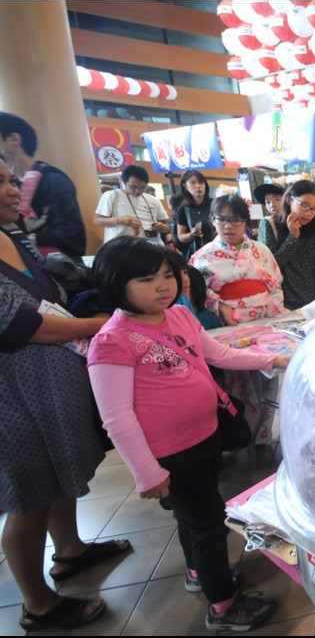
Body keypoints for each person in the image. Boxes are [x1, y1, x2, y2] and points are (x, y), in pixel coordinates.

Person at [87, 236, 286, 631]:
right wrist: (147, 473)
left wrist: (274, 358)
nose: (162, 286)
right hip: (169, 454)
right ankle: (224, 608)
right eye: (146, 279)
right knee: (210, 523)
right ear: (115, 283)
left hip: (206, 436)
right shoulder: (111, 341)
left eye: (166, 275)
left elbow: (220, 355)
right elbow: (117, 418)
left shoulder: (179, 316)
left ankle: (199, 573)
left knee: (192, 518)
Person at [0, 157, 131, 632]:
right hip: (12, 396)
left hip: (49, 385)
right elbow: (20, 324)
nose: (15, 189)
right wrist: (99, 324)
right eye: (1, 182)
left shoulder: (14, 238)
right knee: (28, 492)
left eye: (12, 179)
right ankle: (38, 603)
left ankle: (70, 550)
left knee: (56, 470)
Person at [0, 112, 87, 259]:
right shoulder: (18, 185)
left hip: (58, 273)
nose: (12, 190)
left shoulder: (52, 180)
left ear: (14, 139)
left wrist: (28, 240)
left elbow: (74, 235)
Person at [190, 195, 285, 325]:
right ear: (213, 220)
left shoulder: (262, 249)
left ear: (245, 222)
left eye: (236, 220)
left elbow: (276, 284)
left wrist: (273, 308)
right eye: (222, 220)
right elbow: (195, 291)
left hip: (266, 318)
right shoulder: (201, 256)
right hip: (224, 321)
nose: (228, 226)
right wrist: (219, 306)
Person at [259, 180, 315, 309]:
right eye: (304, 205)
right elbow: (270, 267)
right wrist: (293, 237)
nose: (309, 213)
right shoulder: (270, 224)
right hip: (282, 303)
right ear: (289, 199)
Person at [93, 165, 169, 246]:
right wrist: (119, 220)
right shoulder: (112, 195)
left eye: (142, 187)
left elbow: (166, 226)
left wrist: (162, 227)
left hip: (153, 246)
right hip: (122, 247)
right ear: (124, 182)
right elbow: (97, 220)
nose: (137, 191)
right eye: (133, 187)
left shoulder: (154, 200)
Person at [174, 170, 214, 258]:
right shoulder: (183, 209)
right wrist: (191, 234)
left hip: (217, 250)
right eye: (193, 183)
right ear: (185, 186)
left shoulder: (215, 204)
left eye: (201, 182)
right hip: (197, 253)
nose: (198, 186)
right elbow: (181, 236)